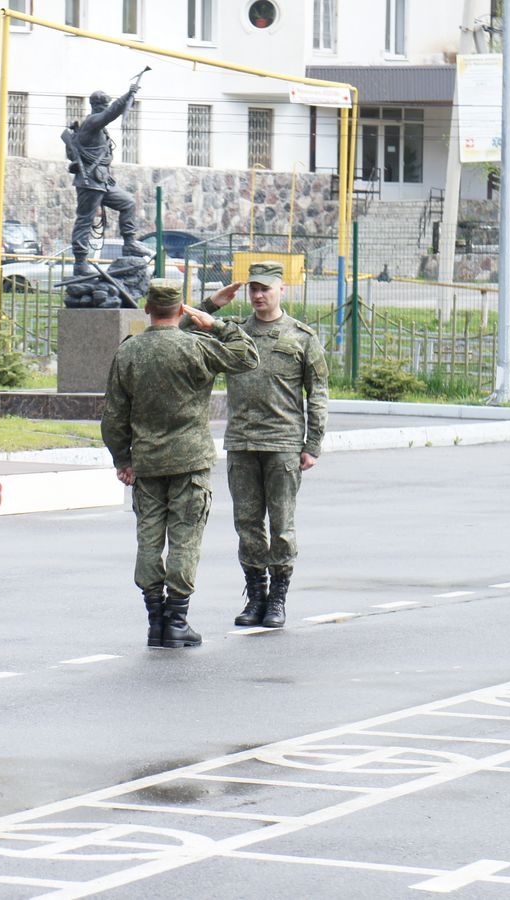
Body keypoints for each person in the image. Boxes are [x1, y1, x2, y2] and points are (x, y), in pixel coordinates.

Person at [102, 279, 258, 649]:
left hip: (147, 464)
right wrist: (215, 323)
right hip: (190, 463)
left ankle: (155, 620)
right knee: (186, 540)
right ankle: (177, 619)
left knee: (149, 540)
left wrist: (122, 458)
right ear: (182, 309)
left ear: (146, 309)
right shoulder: (198, 347)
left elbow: (112, 416)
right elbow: (247, 356)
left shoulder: (129, 353)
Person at [200, 260, 329, 629]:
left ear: (281, 290)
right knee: (247, 524)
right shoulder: (234, 332)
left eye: (265, 289)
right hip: (242, 442)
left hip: (283, 442)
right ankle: (255, 595)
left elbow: (317, 393)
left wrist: (312, 444)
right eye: (253, 289)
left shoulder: (302, 337)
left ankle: (278, 599)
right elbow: (178, 328)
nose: (258, 295)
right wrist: (213, 303)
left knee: (282, 525)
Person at [61, 87, 151, 275]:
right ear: (100, 106)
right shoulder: (93, 122)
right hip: (89, 182)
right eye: (106, 105)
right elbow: (111, 113)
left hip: (102, 181)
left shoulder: (97, 126)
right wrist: (128, 95)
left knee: (128, 203)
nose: (107, 108)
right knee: (85, 221)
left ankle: (129, 244)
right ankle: (80, 263)